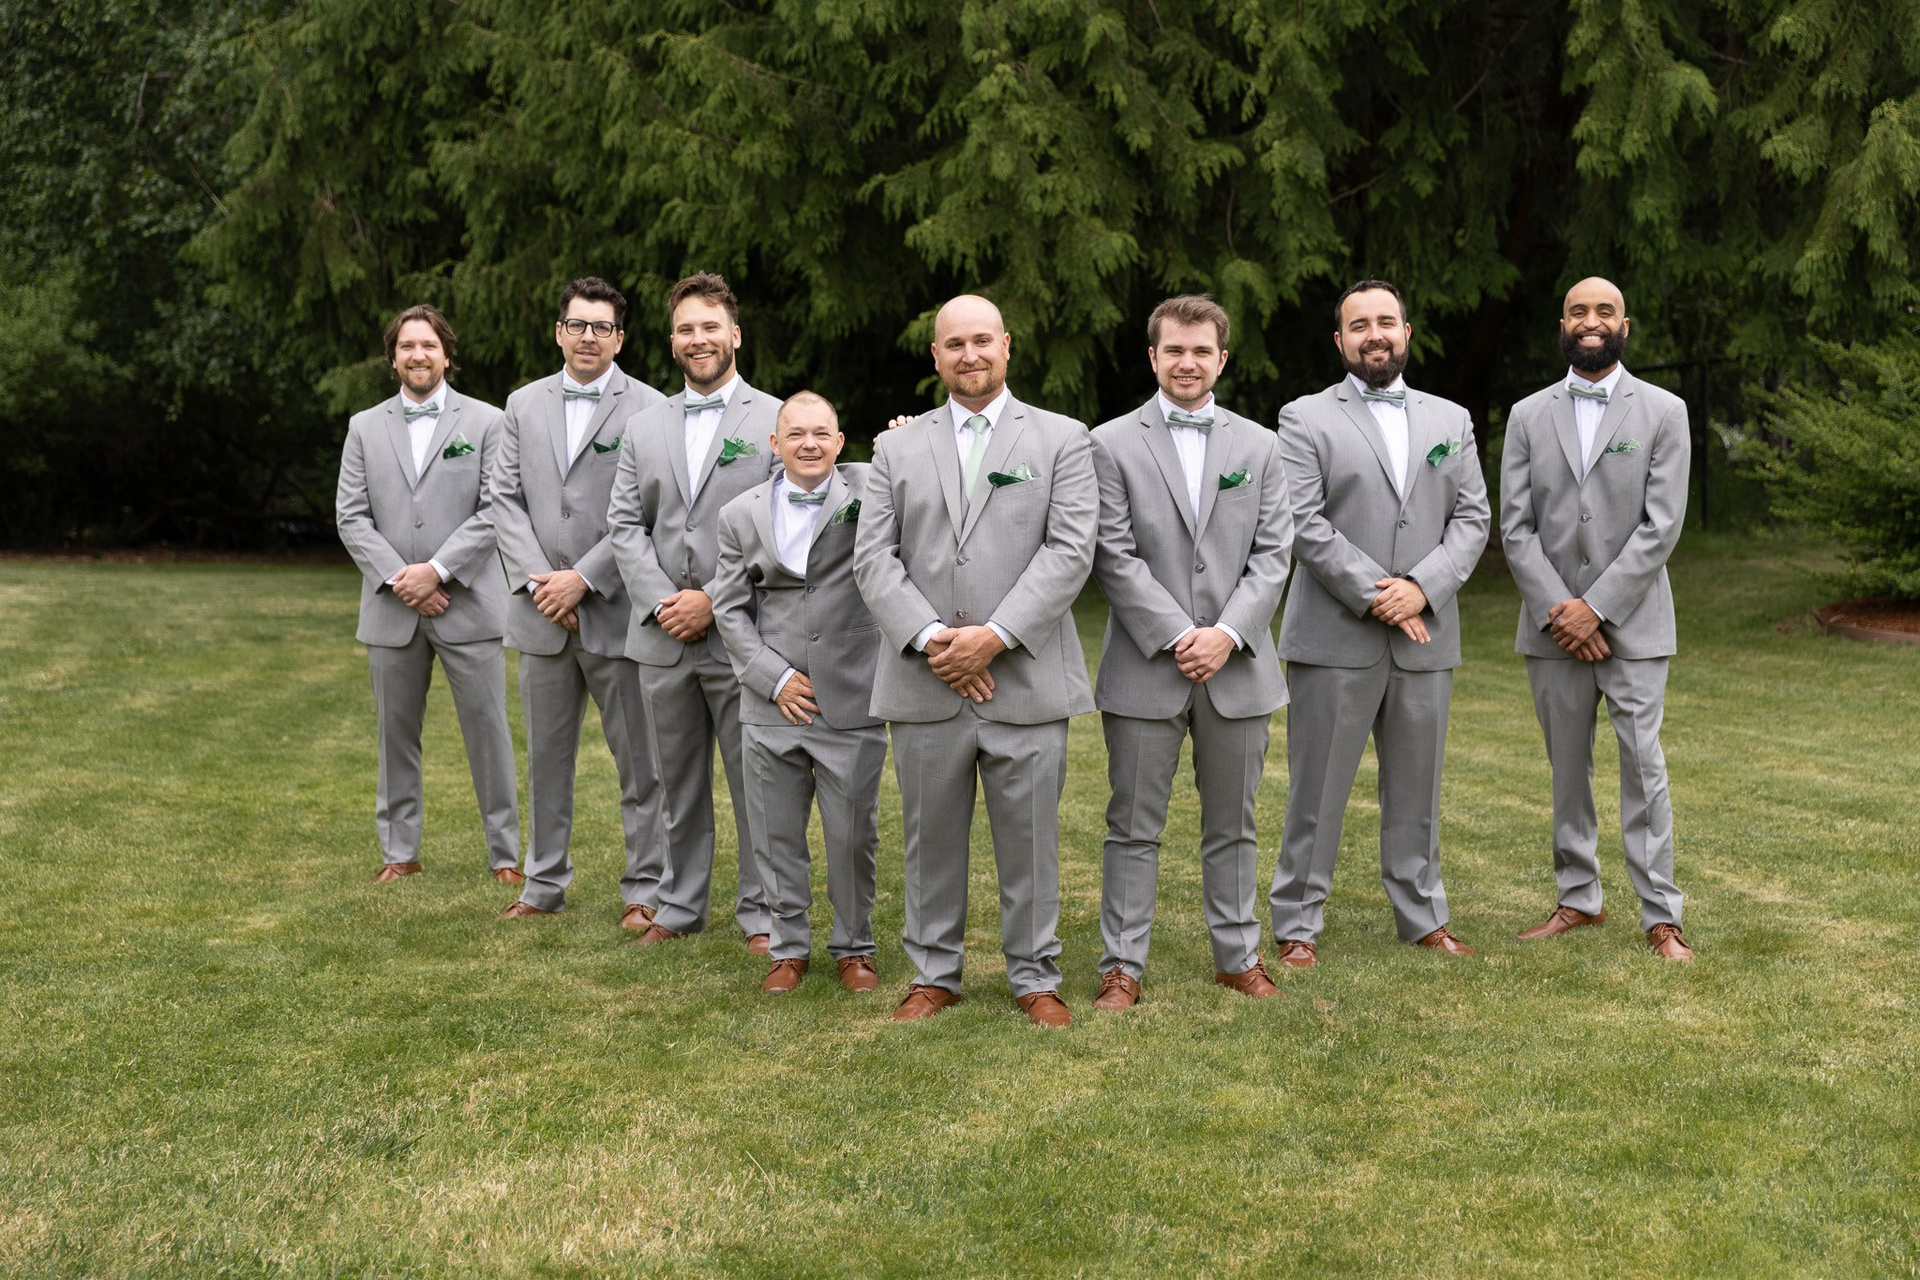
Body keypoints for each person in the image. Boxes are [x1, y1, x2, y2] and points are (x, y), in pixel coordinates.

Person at [852, 294, 1098, 1027]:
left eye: (982, 340)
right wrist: (933, 639)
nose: (970, 355)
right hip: (924, 680)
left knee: (1032, 840)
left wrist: (995, 636)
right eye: (955, 343)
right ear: (936, 356)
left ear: (1006, 346)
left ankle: (1035, 976)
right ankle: (934, 973)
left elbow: (1070, 551)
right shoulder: (895, 449)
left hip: (1025, 676)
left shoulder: (1061, 439)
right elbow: (873, 559)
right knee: (929, 839)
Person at [1268, 279, 1490, 966]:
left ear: (1406, 332)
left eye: (1386, 322)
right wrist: (1378, 594)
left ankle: (1423, 916)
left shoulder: (1450, 420)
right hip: (1334, 636)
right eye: (1359, 325)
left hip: (1427, 636)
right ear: (1340, 340)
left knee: (1419, 789)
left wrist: (1422, 589)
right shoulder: (1304, 418)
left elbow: (1472, 518)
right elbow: (1303, 521)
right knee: (1316, 789)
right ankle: (1297, 922)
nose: (1375, 335)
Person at [1087, 295, 1293, 1009]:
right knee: (1131, 827)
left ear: (1222, 359)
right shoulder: (1109, 443)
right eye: (1174, 349)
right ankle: (1122, 966)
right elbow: (1112, 554)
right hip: (1146, 666)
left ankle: (1238, 957)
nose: (1187, 362)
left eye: (1201, 350)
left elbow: (1274, 554)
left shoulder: (1261, 447)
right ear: (1153, 357)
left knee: (1234, 825)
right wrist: (1181, 635)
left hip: (1239, 666)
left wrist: (1226, 634)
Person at [1500, 276, 1694, 961]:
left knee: (1643, 766)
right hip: (1552, 628)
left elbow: (1661, 526)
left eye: (1604, 311)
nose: (1591, 320)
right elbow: (1515, 527)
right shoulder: (1527, 415)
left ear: (1624, 325)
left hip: (1634, 626)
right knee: (1566, 770)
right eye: (1578, 311)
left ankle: (1661, 915)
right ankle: (1578, 898)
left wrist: (1597, 609)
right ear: (1562, 324)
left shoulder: (1665, 411)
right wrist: (1563, 613)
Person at [491, 277, 671, 927]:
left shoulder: (652, 409)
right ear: (558, 331)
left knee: (640, 763)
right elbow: (504, 499)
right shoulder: (521, 404)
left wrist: (584, 580)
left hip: (616, 613)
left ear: (620, 338)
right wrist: (542, 583)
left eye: (601, 327)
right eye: (576, 325)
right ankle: (543, 884)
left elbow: (650, 512)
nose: (587, 337)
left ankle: (646, 887)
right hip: (540, 613)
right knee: (546, 759)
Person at [608, 273, 779, 950]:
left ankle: (763, 914)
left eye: (710, 326)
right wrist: (662, 602)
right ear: (672, 340)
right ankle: (679, 906)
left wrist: (715, 598)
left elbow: (782, 523)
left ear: (735, 334)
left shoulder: (775, 420)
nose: (698, 339)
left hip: (741, 634)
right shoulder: (643, 426)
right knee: (674, 783)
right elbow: (625, 524)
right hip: (662, 638)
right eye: (686, 328)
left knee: (755, 784)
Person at [334, 304, 520, 884]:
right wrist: (404, 581)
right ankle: (400, 854)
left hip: (470, 605)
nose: (418, 355)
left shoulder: (487, 422)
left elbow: (495, 510)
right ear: (393, 359)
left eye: (429, 345)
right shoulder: (364, 427)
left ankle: (506, 856)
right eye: (407, 346)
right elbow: (351, 517)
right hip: (392, 610)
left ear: (446, 355)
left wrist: (436, 572)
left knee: (489, 734)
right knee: (395, 736)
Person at [711, 392, 886, 994]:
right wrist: (774, 678)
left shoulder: (872, 490)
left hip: (852, 694)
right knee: (775, 834)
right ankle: (787, 948)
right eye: (795, 434)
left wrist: (908, 437)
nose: (809, 444)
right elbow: (729, 609)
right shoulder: (739, 513)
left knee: (853, 834)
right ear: (775, 443)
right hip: (771, 703)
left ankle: (855, 947)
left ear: (840, 442)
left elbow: (924, 482)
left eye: (820, 433)